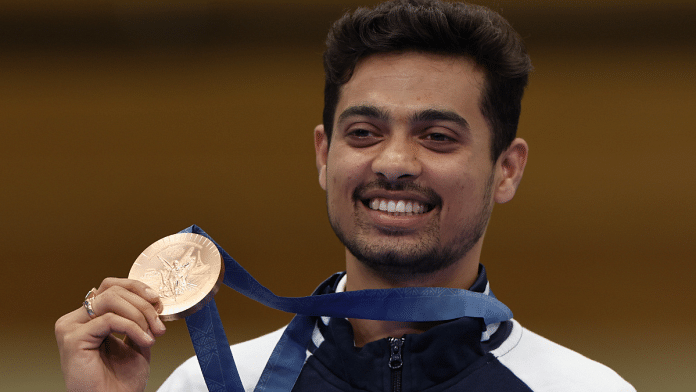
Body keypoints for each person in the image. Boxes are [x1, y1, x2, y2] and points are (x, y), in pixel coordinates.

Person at [55, 1, 636, 391]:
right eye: (364, 133)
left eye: (437, 137)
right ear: (323, 155)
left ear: (506, 170)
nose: (394, 163)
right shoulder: (207, 383)